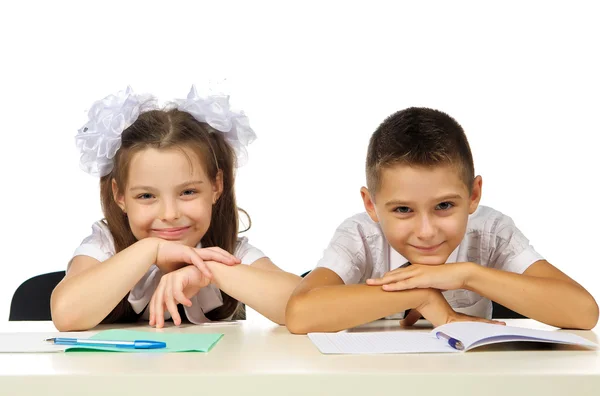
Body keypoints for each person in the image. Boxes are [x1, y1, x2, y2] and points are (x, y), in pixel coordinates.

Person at [286, 107, 599, 333]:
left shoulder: (490, 232)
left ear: (474, 194)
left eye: (445, 205)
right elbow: (300, 314)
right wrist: (420, 293)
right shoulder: (361, 235)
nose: (426, 232)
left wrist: (467, 275)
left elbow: (583, 312)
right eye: (403, 210)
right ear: (372, 205)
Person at [51, 86, 300, 331]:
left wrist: (206, 270)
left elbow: (303, 307)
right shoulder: (105, 245)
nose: (169, 214)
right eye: (146, 195)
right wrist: (151, 248)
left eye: (188, 192)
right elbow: (65, 314)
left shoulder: (227, 250)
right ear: (120, 196)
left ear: (216, 186)